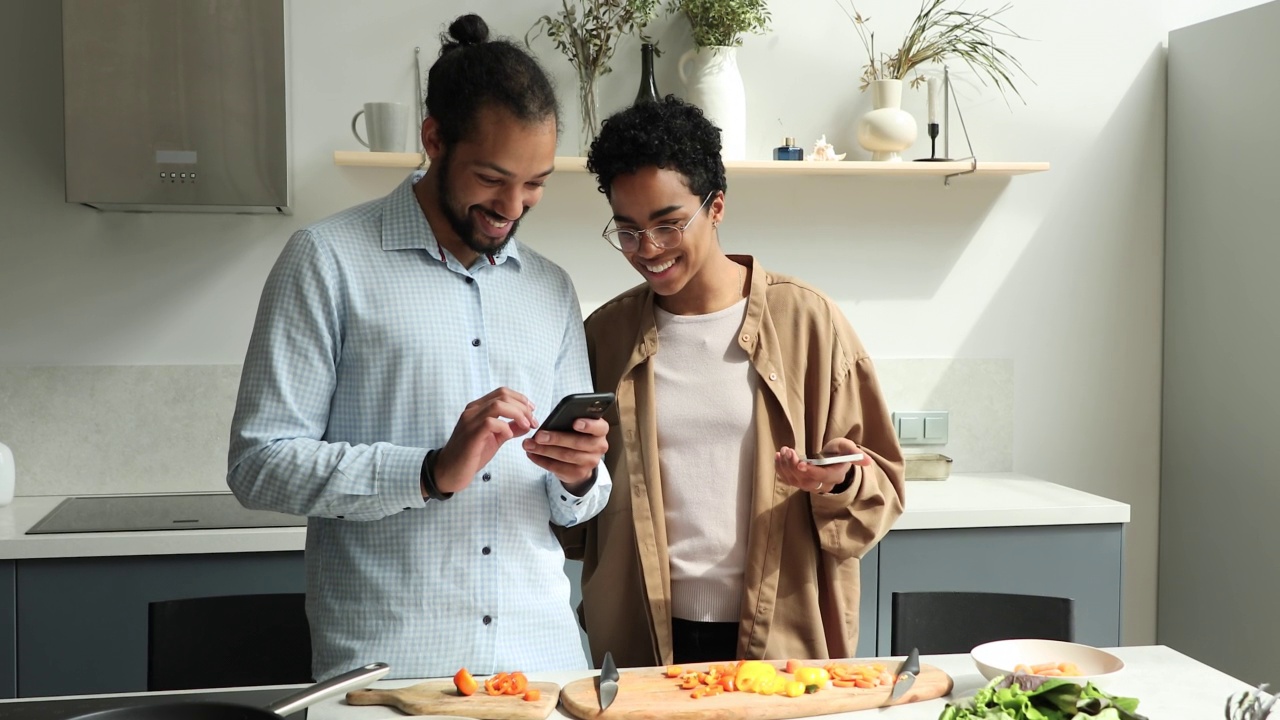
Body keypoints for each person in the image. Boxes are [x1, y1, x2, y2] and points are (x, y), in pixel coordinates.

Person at [227, 14, 611, 681]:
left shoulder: (551, 288)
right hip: (392, 672)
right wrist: (429, 472)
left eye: (536, 182)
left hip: (542, 666)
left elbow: (576, 501)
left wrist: (578, 473)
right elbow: (260, 465)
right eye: (493, 178)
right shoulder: (326, 261)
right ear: (434, 138)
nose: (514, 206)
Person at [558, 97, 905, 667]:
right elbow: (575, 520)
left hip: (783, 639)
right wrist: (569, 479)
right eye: (628, 230)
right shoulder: (605, 336)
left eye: (668, 224)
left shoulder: (808, 322)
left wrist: (836, 483)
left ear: (716, 206)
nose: (648, 250)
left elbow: (882, 493)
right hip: (643, 638)